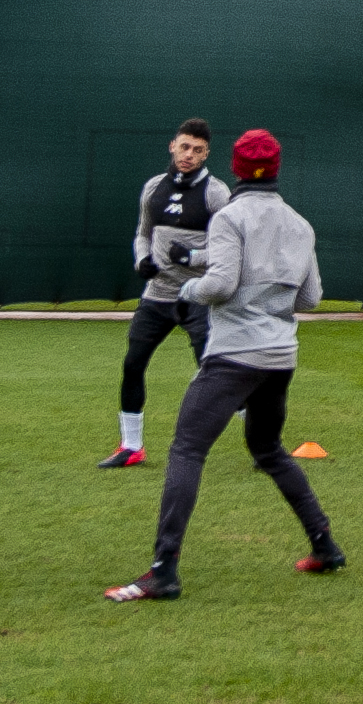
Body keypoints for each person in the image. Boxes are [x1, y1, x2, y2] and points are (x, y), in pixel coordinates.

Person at [104, 130, 345, 600]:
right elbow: (312, 298)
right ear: (277, 169)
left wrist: (186, 290)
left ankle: (163, 570)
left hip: (235, 352)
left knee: (186, 450)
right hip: (281, 355)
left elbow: (218, 285)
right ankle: (325, 545)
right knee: (269, 451)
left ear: (235, 168)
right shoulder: (299, 222)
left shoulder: (230, 215)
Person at [101, 119, 231, 469]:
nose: (189, 155)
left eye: (197, 150)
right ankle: (132, 446)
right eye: (184, 146)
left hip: (198, 295)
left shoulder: (216, 193)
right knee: (133, 364)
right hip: (157, 295)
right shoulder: (153, 187)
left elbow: (231, 249)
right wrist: (141, 258)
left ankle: (262, 444)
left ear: (206, 154)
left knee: (219, 372)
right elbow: (142, 233)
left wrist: (194, 258)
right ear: (172, 146)